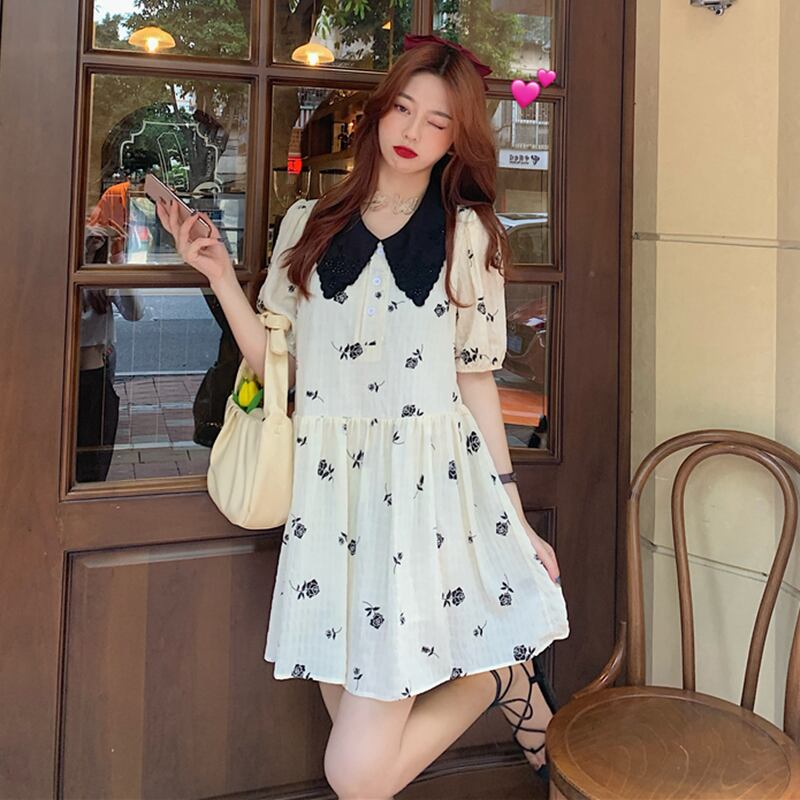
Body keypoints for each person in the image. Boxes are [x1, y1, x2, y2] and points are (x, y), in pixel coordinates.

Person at [155, 33, 570, 800]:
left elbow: (475, 381)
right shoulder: (309, 222)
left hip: (424, 503)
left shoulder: (466, 235)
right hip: (330, 505)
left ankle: (489, 677)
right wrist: (216, 275)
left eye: (437, 122)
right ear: (378, 113)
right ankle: (498, 673)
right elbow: (277, 367)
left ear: (456, 140)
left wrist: (513, 515)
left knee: (356, 774)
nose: (412, 132)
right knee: (358, 744)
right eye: (403, 109)